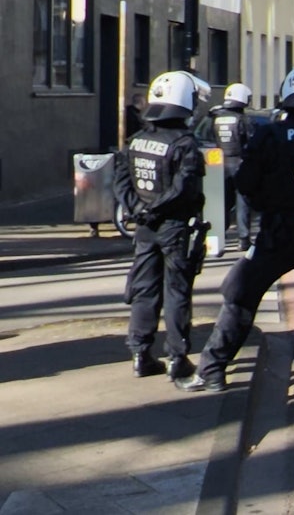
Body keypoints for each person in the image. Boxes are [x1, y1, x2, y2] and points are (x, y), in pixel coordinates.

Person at [176, 66, 294, 413]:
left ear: (286, 98)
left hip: (277, 232)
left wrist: (271, 204)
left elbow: (246, 183)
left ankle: (213, 369)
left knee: (240, 295)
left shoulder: (271, 135)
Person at [113, 71, 208, 379]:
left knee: (144, 290)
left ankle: (141, 354)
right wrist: (156, 210)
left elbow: (120, 182)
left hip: (143, 227)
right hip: (174, 228)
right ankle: (178, 358)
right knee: (177, 291)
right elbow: (184, 190)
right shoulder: (184, 145)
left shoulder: (136, 141)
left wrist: (138, 209)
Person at [210, 82, 256, 250]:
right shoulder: (243, 119)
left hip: (220, 163)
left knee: (223, 201)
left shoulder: (217, 118)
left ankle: (218, 236)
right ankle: (243, 239)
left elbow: (212, 139)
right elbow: (252, 142)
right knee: (243, 202)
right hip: (239, 163)